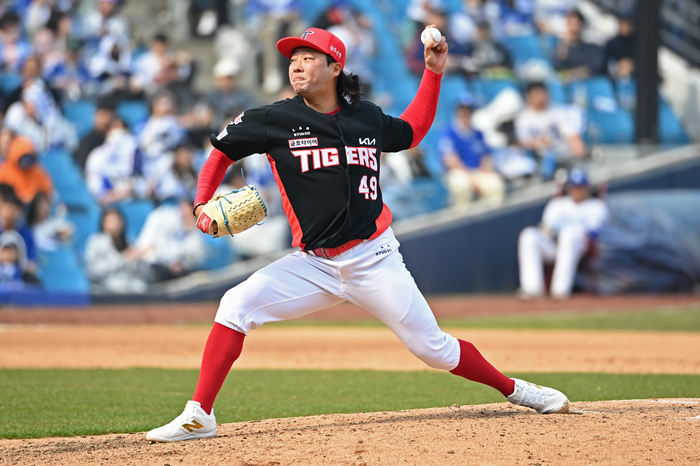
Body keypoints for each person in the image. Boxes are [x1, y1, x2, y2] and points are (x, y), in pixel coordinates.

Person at [146, 26, 570, 443]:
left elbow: (411, 130)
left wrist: (433, 72)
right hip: (313, 264)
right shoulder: (275, 119)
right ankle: (200, 414)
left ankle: (516, 390)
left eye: (308, 58)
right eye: (293, 59)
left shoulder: (364, 116)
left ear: (335, 67)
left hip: (373, 258)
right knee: (235, 305)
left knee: (434, 349)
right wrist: (201, 203)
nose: (296, 65)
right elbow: (220, 153)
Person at [517, 167, 608, 299]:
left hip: (579, 246)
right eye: (574, 187)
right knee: (529, 235)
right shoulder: (558, 204)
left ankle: (560, 290)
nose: (577, 191)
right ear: (569, 188)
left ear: (587, 188)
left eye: (581, 187)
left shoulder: (596, 206)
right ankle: (532, 288)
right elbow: (545, 228)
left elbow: (594, 233)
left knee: (568, 235)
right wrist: (550, 233)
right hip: (555, 244)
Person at [439, 96, 505, 209]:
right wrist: (471, 178)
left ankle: (493, 215)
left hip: (478, 172)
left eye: (468, 110)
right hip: (459, 172)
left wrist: (484, 171)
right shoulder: (448, 133)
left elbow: (486, 156)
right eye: (462, 110)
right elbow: (451, 160)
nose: (465, 113)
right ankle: (462, 216)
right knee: (461, 185)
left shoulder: (478, 134)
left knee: (494, 184)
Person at [514, 81, 586, 179]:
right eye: (537, 94)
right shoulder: (523, 118)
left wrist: (578, 149)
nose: (541, 97)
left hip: (563, 154)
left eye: (543, 93)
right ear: (529, 96)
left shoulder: (557, 111)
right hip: (540, 158)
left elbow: (572, 135)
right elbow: (521, 143)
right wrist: (538, 143)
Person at [84, 207, 148, 293]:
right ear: (103, 223)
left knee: (141, 286)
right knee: (121, 286)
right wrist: (123, 259)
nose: (115, 224)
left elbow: (134, 270)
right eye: (111, 221)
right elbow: (96, 269)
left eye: (117, 220)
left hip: (127, 280)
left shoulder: (128, 241)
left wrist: (138, 257)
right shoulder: (96, 241)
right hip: (103, 282)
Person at [552, 9, 605, 82]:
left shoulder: (592, 49)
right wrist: (564, 44)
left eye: (577, 25)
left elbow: (592, 69)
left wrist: (571, 74)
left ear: (582, 26)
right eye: (570, 25)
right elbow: (557, 69)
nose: (573, 29)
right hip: (567, 86)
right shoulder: (561, 48)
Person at [0, 136, 53, 205]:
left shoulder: (38, 172)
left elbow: (48, 191)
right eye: (23, 157)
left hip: (32, 207)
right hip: (12, 204)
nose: (26, 161)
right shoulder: (5, 171)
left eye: (28, 157)